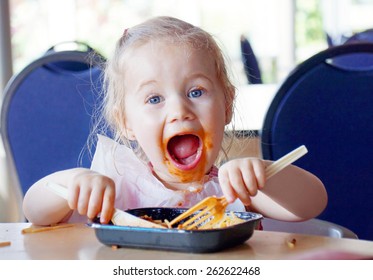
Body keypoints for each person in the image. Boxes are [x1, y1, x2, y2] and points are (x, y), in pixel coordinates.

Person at [23, 16, 327, 226]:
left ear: (227, 105)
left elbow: (312, 203)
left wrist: (263, 174)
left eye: (196, 91)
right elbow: (34, 211)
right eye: (154, 99)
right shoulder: (114, 189)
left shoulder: (232, 191)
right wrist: (72, 182)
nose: (180, 110)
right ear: (126, 121)